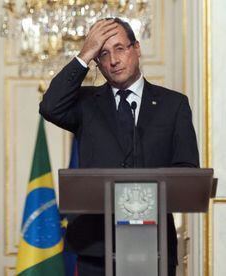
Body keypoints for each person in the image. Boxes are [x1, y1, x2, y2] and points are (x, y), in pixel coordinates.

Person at [40, 17, 199, 276]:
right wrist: (84, 54)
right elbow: (49, 106)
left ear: (136, 48)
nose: (113, 60)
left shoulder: (173, 105)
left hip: (154, 244)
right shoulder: (86, 104)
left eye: (120, 49)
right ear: (97, 62)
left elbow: (187, 170)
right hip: (95, 248)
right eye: (103, 54)